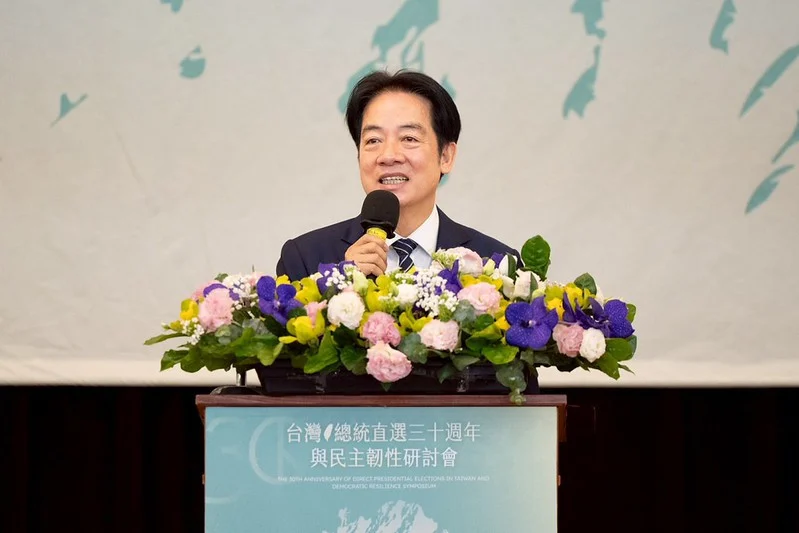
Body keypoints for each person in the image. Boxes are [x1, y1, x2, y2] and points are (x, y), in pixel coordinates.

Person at [275, 69, 519, 281]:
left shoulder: (496, 265)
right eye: (373, 140)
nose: (388, 155)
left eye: (409, 138)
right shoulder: (306, 259)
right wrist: (341, 284)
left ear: (446, 156)